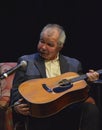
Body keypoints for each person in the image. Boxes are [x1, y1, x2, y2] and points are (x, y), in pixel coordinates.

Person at [10, 24, 101, 130]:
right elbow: (16, 89)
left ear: (60, 46)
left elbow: (80, 93)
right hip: (40, 112)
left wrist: (89, 82)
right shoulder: (26, 61)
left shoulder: (74, 64)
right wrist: (16, 105)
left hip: (67, 111)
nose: (43, 47)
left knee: (91, 109)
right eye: (42, 41)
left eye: (50, 44)